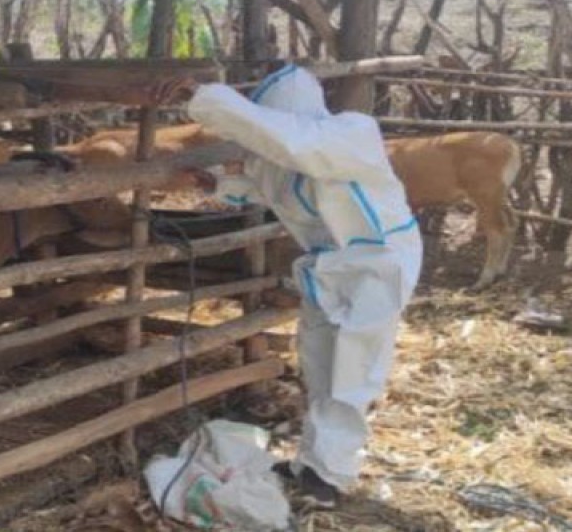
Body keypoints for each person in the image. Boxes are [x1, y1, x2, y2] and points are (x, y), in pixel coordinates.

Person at [175, 64, 423, 509]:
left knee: (353, 370)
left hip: (378, 262)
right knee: (318, 361)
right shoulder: (280, 157)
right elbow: (257, 188)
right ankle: (310, 463)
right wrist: (216, 182)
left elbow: (295, 145)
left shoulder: (350, 133)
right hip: (328, 266)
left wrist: (205, 96)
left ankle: (331, 476)